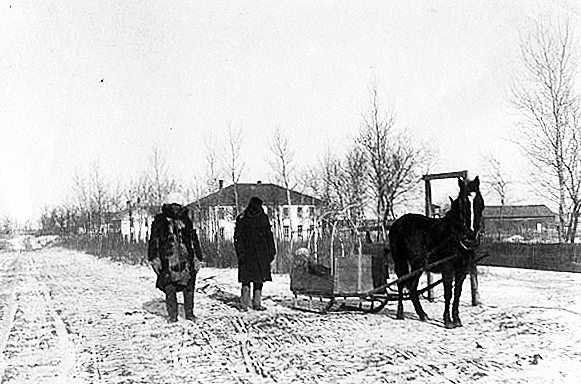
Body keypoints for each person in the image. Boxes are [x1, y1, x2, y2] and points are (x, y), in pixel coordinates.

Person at [148, 200, 203, 323]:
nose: (175, 209)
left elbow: (194, 240)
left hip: (186, 260)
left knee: (189, 286)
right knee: (169, 287)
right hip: (167, 260)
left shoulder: (186, 221)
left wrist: (198, 257)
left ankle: (189, 314)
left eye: (178, 206)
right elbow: (154, 241)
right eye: (173, 206)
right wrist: (154, 258)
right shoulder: (160, 221)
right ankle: (172, 316)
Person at [234, 196, 276, 311]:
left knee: (258, 280)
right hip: (248, 255)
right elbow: (237, 238)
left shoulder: (262, 217)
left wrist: (272, 251)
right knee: (247, 281)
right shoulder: (242, 218)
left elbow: (269, 235)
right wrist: (240, 253)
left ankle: (256, 303)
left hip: (260, 255)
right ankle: (245, 304)